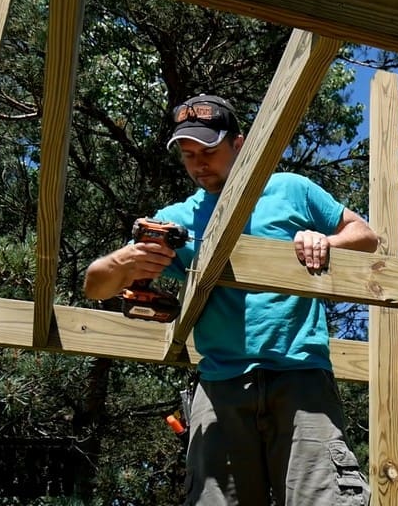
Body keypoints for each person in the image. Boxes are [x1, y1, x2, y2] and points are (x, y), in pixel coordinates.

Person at [84, 94, 376, 506]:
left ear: (239, 145)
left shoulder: (290, 190)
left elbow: (365, 237)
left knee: (326, 498)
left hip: (300, 378)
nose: (199, 164)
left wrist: (325, 240)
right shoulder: (178, 221)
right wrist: (127, 259)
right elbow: (96, 285)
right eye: (188, 155)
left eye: (209, 151)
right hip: (220, 387)